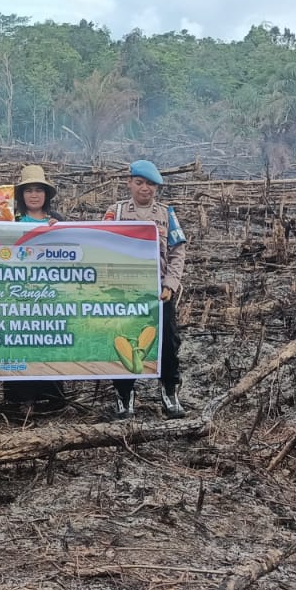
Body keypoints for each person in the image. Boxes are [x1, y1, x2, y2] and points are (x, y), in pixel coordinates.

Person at [104, 159, 186, 418]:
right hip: (125, 294)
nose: (144, 189)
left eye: (150, 184)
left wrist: (170, 285)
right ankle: (124, 396)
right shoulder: (115, 213)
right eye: (139, 182)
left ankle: (170, 393)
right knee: (124, 343)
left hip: (158, 293)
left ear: (157, 188)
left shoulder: (166, 214)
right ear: (129, 183)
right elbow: (98, 242)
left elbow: (178, 252)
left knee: (168, 343)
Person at [4, 165, 67, 414]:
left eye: (38, 190)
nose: (34, 195)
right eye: (28, 190)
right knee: (20, 343)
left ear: (46, 195)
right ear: (21, 196)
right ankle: (22, 399)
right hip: (18, 292)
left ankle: (52, 397)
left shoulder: (57, 220)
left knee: (47, 341)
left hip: (49, 293)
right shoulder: (11, 220)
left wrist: (59, 231)